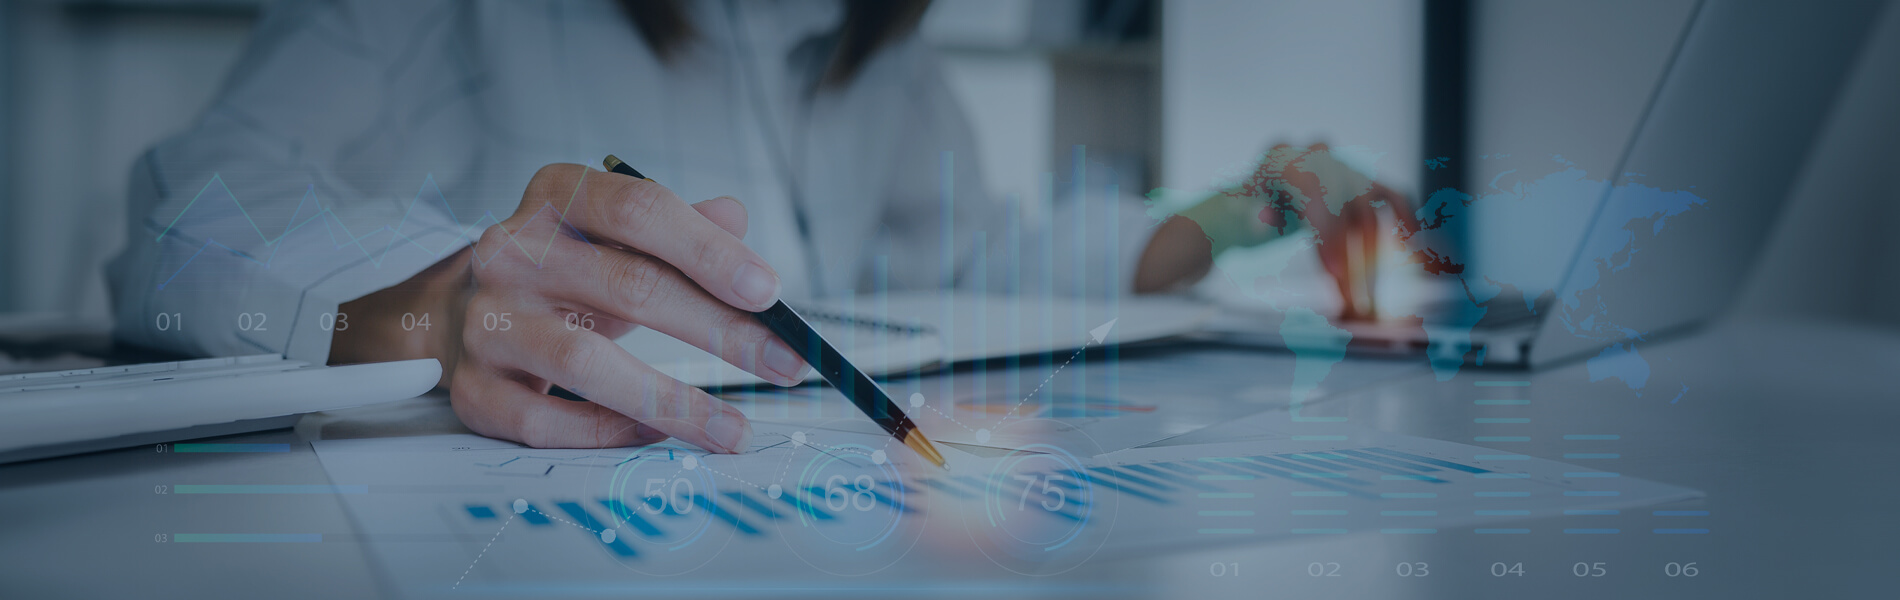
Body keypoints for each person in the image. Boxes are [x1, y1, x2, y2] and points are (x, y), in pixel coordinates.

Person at [107, 0, 1408, 454]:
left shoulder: (878, 54)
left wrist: (1241, 214)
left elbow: (960, 259)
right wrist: (425, 306)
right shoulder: (454, 12)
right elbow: (187, 207)